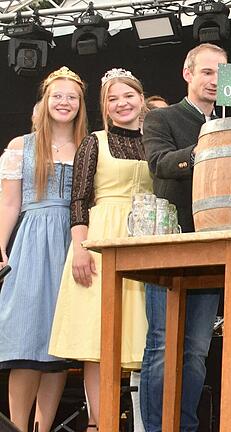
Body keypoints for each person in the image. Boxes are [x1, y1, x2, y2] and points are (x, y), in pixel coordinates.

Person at [48, 68, 151, 431]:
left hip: (145, 239)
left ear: (141, 99)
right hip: (101, 240)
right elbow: (78, 199)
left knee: (142, 335)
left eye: (128, 96)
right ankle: (99, 422)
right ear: (105, 107)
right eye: (112, 98)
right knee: (99, 334)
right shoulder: (95, 141)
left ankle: (141, 422)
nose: (122, 103)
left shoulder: (155, 139)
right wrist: (80, 248)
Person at [140, 43, 227, 432]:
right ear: (187, 73)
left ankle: (186, 427)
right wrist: (210, 144)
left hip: (213, 248)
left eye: (221, 73)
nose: (214, 80)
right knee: (162, 346)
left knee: (195, 352)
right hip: (171, 249)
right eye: (207, 72)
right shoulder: (162, 119)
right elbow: (160, 164)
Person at [0, 66, 88, 432]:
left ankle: (43, 426)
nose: (64, 102)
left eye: (72, 97)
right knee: (26, 340)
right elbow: (8, 203)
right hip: (34, 242)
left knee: (58, 347)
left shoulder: (88, 147)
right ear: (45, 100)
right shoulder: (23, 146)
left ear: (81, 104)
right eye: (58, 96)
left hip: (73, 244)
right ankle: (18, 427)